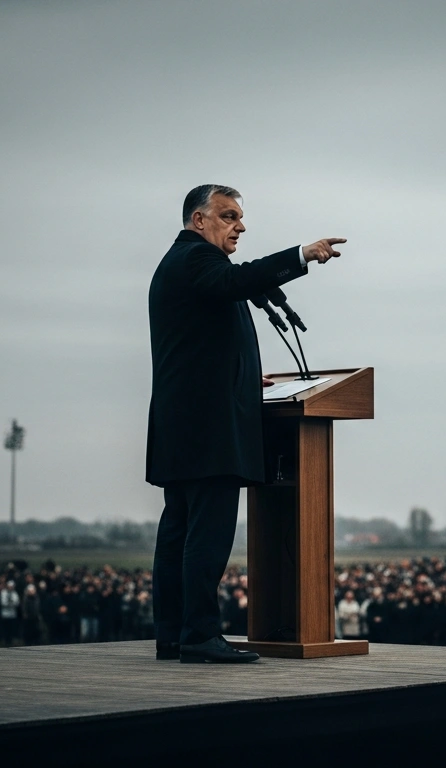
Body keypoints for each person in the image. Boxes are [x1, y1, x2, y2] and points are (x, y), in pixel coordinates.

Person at [146, 184, 345, 664]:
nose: (241, 225)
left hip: (186, 425)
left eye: (240, 216)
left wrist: (244, 377)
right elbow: (239, 281)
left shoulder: (189, 268)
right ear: (199, 220)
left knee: (179, 531)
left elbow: (205, 344)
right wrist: (301, 255)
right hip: (208, 429)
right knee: (205, 536)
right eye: (229, 215)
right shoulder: (196, 261)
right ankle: (199, 635)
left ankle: (174, 634)